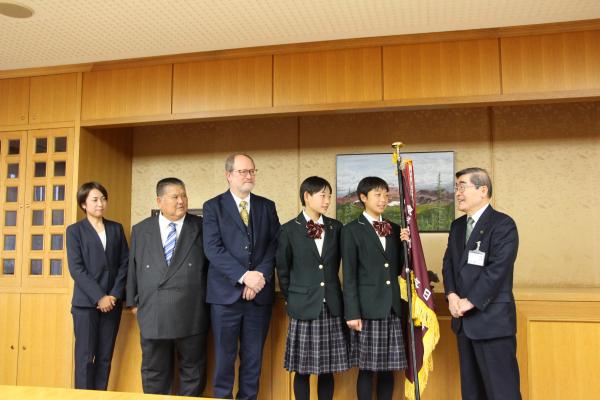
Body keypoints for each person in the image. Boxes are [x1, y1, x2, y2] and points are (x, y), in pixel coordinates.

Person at [203, 153, 280, 400]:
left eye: (252, 171)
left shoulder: (267, 206)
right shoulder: (213, 206)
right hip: (225, 297)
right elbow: (213, 249)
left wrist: (258, 280)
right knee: (224, 359)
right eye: (242, 171)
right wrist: (244, 277)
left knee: (253, 359)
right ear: (228, 175)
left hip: (259, 298)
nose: (248, 176)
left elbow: (274, 246)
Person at [442, 167, 521, 400]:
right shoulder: (457, 226)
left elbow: (498, 270)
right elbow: (449, 264)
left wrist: (471, 301)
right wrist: (452, 295)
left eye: (462, 187)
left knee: (501, 391)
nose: (457, 193)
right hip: (464, 324)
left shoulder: (503, 224)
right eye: (456, 187)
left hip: (492, 321)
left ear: (483, 190)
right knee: (472, 392)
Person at [126, 177, 209, 396]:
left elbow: (212, 269)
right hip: (153, 310)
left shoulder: (201, 226)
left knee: (193, 371)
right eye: (175, 197)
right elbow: (133, 268)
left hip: (192, 311)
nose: (181, 201)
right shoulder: (141, 229)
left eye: (184, 195)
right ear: (160, 200)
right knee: (154, 372)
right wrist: (132, 302)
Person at [276, 176, 349, 400]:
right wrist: (291, 298)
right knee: (303, 369)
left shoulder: (336, 227)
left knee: (327, 369)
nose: (327, 200)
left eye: (329, 195)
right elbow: (283, 269)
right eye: (322, 195)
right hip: (303, 306)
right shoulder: (289, 229)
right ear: (307, 197)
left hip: (332, 304)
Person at [341, 176, 409, 400]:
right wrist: (352, 312)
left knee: (389, 368)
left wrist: (407, 246)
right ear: (363, 197)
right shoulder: (351, 230)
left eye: (386, 195)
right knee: (367, 368)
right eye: (378, 195)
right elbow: (349, 275)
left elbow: (401, 268)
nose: (383, 200)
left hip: (392, 307)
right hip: (367, 309)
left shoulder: (395, 228)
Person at [66, 182, 129, 390]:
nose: (100, 203)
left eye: (103, 199)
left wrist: (113, 295)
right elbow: (77, 269)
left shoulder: (116, 228)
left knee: (104, 358)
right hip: (86, 304)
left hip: (112, 303)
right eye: (94, 200)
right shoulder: (74, 231)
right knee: (85, 359)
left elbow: (124, 264)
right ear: (83, 204)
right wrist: (99, 297)